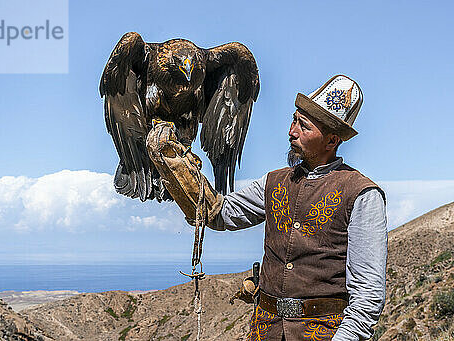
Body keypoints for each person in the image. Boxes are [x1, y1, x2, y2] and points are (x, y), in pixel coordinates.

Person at [146, 74, 387, 341]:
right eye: (294, 120)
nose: (292, 131)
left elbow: (368, 296)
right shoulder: (273, 181)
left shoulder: (362, 194)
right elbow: (220, 213)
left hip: (325, 334)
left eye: (304, 126)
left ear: (331, 141)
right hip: (265, 330)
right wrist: (174, 165)